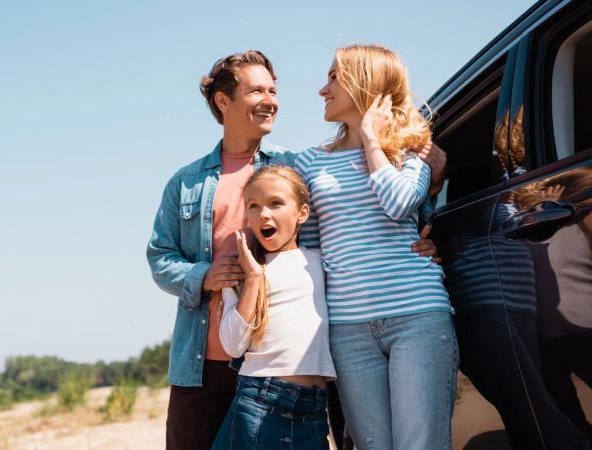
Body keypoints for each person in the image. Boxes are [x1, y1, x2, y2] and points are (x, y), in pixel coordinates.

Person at [146, 49, 444, 450]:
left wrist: (427, 230)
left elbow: (351, 223)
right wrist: (204, 275)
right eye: (257, 90)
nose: (271, 99)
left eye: (273, 89)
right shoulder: (187, 182)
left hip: (282, 361)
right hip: (205, 360)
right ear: (223, 100)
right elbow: (160, 257)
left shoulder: (294, 166)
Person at [291, 44, 458, 450]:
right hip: (348, 331)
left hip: (417, 317)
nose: (322, 89)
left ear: (363, 82)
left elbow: (399, 203)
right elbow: (310, 251)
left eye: (333, 77)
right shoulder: (308, 163)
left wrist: (371, 140)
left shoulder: (409, 149)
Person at [211, 165, 335, 450]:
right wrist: (254, 277)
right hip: (259, 401)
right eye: (253, 206)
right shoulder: (243, 271)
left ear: (302, 213)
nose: (263, 214)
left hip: (314, 409)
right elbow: (233, 345)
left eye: (275, 203)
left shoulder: (321, 261)